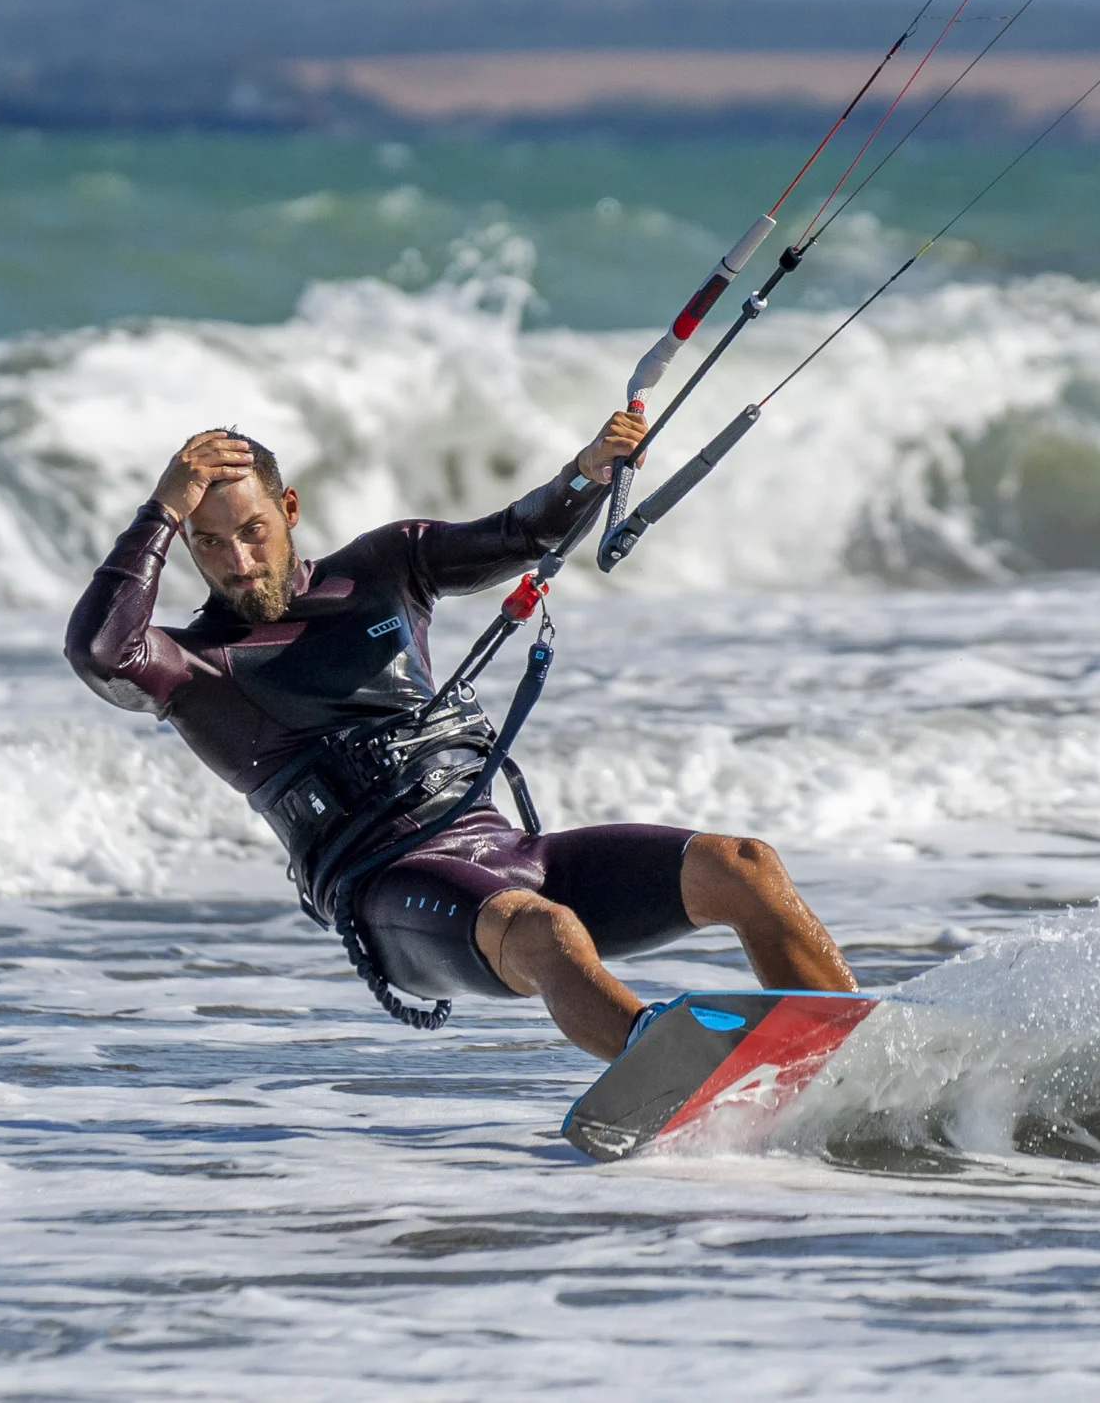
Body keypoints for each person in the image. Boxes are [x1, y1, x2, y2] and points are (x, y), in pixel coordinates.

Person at [65, 415, 857, 1060]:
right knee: (549, 930)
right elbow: (99, 649)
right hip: (388, 891)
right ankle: (667, 1073)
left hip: (505, 849)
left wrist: (589, 468)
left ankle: (850, 1050)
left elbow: (517, 534)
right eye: (208, 541)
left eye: (253, 531)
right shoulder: (193, 668)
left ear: (291, 511)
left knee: (741, 865)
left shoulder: (383, 568)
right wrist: (162, 509)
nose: (237, 560)